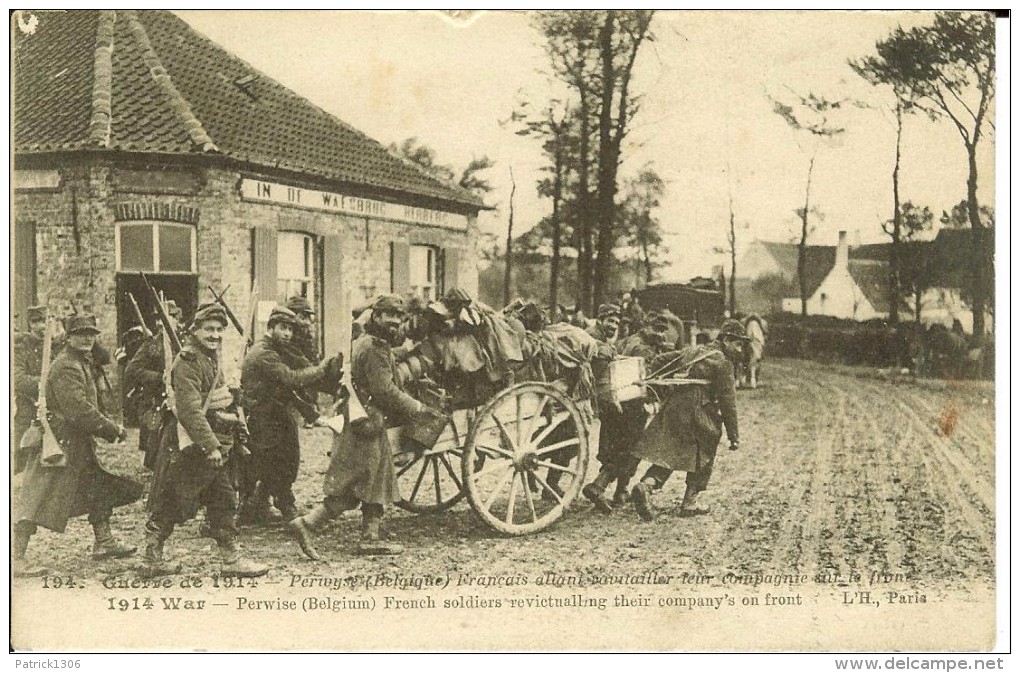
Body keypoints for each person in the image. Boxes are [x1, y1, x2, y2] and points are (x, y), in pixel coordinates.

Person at [288, 295, 443, 559]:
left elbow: (387, 362)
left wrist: (410, 351)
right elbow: (385, 391)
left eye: (398, 317)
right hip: (366, 422)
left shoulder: (371, 342)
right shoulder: (372, 348)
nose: (394, 322)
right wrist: (416, 407)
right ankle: (308, 524)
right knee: (358, 482)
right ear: (376, 317)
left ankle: (368, 537)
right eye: (388, 316)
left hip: (367, 420)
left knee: (375, 478)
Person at [143, 303, 267, 578]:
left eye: (219, 329)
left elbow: (215, 399)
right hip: (192, 444)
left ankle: (231, 559)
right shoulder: (187, 362)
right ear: (194, 330)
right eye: (208, 329)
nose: (215, 335)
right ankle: (152, 557)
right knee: (174, 501)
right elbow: (189, 411)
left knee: (223, 498)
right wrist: (210, 446)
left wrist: (232, 399)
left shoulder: (210, 358)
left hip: (212, 441)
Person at [14, 314, 142, 577]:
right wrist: (111, 428)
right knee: (37, 498)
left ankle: (104, 541)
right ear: (69, 337)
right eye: (81, 333)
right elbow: (77, 410)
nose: (87, 338)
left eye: (91, 333)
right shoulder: (67, 366)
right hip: (60, 445)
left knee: (97, 487)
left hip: (76, 443)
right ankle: (14, 555)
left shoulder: (80, 361)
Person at [627, 319, 748, 521]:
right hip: (698, 413)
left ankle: (646, 485)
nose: (740, 349)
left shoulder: (693, 351)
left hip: (674, 408)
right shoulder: (724, 363)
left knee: (670, 450)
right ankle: (689, 503)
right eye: (738, 344)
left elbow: (659, 360)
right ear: (726, 340)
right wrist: (733, 435)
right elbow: (728, 402)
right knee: (705, 453)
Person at [239, 306, 341, 523]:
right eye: (283, 328)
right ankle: (258, 509)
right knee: (263, 463)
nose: (287, 334)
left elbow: (288, 392)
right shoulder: (264, 353)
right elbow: (291, 379)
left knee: (285, 459)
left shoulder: (277, 349)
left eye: (290, 330)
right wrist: (322, 368)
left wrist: (314, 416)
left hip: (275, 413)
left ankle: (265, 506)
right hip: (259, 416)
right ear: (270, 327)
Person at [124, 300, 184, 470]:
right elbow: (132, 369)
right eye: (158, 319)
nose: (160, 322)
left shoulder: (186, 341)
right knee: (159, 441)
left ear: (177, 319)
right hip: (159, 398)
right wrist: (159, 377)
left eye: (167, 317)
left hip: (183, 395)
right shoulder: (153, 344)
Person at [12, 305, 52, 473]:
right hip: (27, 404)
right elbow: (17, 379)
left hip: (49, 404)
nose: (42, 325)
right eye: (37, 321)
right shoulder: (20, 347)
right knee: (23, 445)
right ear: (30, 324)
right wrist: (44, 382)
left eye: (44, 321)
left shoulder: (53, 345)